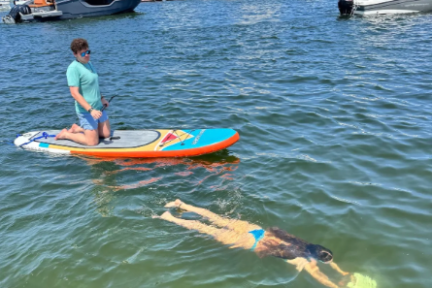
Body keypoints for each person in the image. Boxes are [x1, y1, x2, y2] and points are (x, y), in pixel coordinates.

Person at [153, 199, 366, 288]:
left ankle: (181, 204)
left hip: (254, 230)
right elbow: (320, 275)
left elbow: (327, 259)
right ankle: (169, 218)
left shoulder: (303, 243)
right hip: (249, 243)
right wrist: (335, 285)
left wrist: (341, 270)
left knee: (214, 218)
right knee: (205, 229)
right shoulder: (305, 262)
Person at [55, 38, 110, 146]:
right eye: (83, 53)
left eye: (88, 52)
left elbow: (94, 85)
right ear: (75, 54)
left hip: (98, 107)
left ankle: (77, 128)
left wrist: (102, 98)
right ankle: (66, 134)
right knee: (93, 142)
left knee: (106, 134)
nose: (87, 55)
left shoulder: (89, 63)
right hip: (87, 111)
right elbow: (74, 93)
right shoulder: (73, 69)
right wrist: (91, 110)